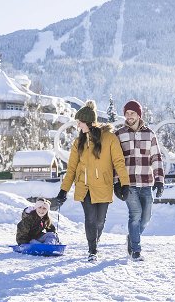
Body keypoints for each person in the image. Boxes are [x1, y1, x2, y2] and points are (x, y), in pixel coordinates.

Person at [55, 100, 130, 262]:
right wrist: (64, 190)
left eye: (80, 122)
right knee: (90, 218)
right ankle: (92, 250)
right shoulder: (78, 142)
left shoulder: (109, 138)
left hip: (103, 185)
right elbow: (72, 169)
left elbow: (119, 162)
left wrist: (125, 184)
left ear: (88, 122)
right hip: (85, 186)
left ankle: (95, 242)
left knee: (100, 221)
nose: (78, 125)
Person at [114, 99, 165, 261]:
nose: (129, 116)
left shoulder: (149, 134)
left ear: (139, 115)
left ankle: (132, 237)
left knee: (146, 217)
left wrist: (159, 180)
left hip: (146, 182)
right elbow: (115, 160)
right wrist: (117, 182)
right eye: (127, 113)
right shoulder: (119, 134)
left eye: (132, 113)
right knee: (135, 214)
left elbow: (156, 157)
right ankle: (136, 250)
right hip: (128, 183)